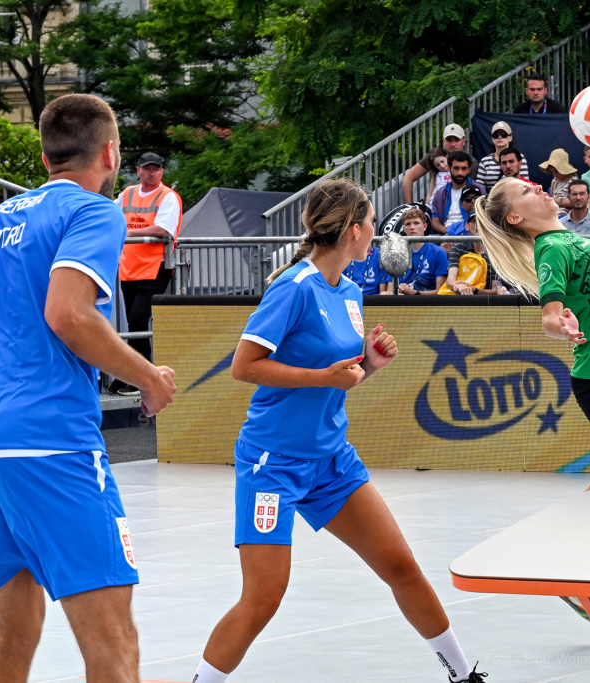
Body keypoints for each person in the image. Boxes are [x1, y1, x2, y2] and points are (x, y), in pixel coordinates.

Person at [0, 93, 178, 683]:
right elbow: (69, 313)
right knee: (113, 642)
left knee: (15, 632)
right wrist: (148, 376)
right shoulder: (94, 212)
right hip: (51, 444)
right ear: (111, 152)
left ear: (43, 156)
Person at [192, 177, 488, 683]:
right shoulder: (293, 287)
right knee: (263, 597)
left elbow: (338, 377)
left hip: (332, 460)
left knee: (401, 566)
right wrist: (325, 376)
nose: (376, 232)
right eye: (372, 224)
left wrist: (367, 364)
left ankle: (464, 676)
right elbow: (244, 366)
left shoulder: (350, 291)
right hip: (274, 463)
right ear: (353, 230)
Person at [473, 176, 590, 648]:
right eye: (525, 190)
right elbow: (550, 318)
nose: (538, 187)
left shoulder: (572, 241)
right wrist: (563, 329)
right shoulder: (551, 250)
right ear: (515, 217)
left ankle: (558, 563)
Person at [111, 152, 182, 396]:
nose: (152, 172)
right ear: (138, 170)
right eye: (147, 168)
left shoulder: (168, 197)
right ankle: (130, 375)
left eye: (157, 168)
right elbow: (111, 216)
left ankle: (142, 379)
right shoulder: (127, 193)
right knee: (133, 323)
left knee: (138, 321)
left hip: (156, 268)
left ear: (162, 172)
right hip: (129, 267)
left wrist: (127, 233)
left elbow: (163, 229)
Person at [402, 124, 478, 204]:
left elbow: (470, 191)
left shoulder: (471, 162)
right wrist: (409, 207)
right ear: (443, 141)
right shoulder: (434, 156)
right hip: (435, 206)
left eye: (457, 140)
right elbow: (408, 177)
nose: (453, 144)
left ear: (463, 141)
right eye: (449, 140)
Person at [384, 208, 449, 295]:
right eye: (408, 224)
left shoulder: (438, 252)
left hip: (428, 304)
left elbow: (441, 292)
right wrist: (399, 290)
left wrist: (413, 292)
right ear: (404, 229)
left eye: (416, 223)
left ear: (425, 227)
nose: (412, 227)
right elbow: (389, 291)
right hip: (401, 303)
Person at [440, 214, 502, 295]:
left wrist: (476, 290)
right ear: (467, 226)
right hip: (459, 296)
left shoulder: (495, 252)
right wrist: (459, 287)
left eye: (481, 221)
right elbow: (450, 279)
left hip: (484, 301)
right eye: (474, 221)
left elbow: (495, 290)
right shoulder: (458, 245)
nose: (478, 225)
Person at [429, 152, 486, 235]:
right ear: (449, 168)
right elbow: (434, 221)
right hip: (445, 232)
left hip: (470, 232)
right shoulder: (440, 193)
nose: (460, 173)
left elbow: (484, 217)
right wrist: (446, 230)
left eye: (464, 168)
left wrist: (453, 231)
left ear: (469, 170)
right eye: (456, 168)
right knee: (429, 243)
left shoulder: (479, 189)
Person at [477, 122, 529, 191]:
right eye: (496, 135)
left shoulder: (520, 157)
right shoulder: (484, 161)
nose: (499, 137)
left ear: (510, 138)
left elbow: (525, 183)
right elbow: (480, 187)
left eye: (503, 134)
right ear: (492, 139)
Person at [539, 148, 578, 214]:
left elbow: (575, 202)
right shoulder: (554, 180)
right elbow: (551, 196)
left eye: (556, 172)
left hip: (567, 212)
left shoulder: (573, 181)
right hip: (553, 209)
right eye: (552, 172)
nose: (554, 175)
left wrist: (557, 201)